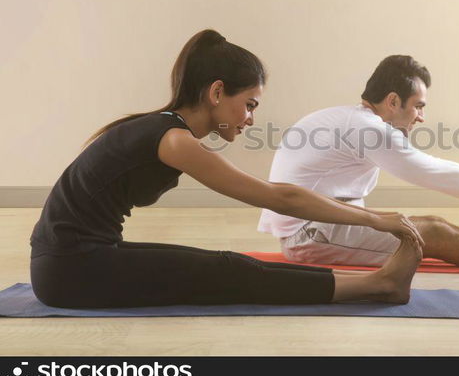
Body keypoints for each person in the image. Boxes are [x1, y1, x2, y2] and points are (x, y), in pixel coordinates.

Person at [29, 30, 425, 309]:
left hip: (76, 260)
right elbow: (280, 197)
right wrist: (375, 220)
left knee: (221, 265)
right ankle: (379, 284)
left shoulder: (165, 130)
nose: (251, 117)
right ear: (217, 92)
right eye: (250, 104)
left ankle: (374, 283)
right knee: (225, 271)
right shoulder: (174, 140)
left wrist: (371, 218)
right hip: (72, 270)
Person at [259, 55, 459, 269]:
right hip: (310, 237)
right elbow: (437, 173)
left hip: (319, 226)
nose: (421, 117)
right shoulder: (369, 129)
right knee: (430, 232)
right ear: (392, 101)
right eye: (418, 106)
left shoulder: (349, 118)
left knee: (434, 225)